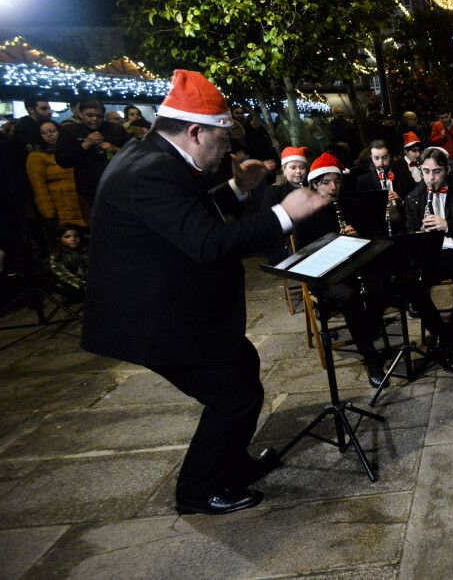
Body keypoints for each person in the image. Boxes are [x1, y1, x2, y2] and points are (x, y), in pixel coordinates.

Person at [82, 70, 330, 516]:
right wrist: (283, 215)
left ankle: (230, 465)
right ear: (195, 132)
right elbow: (206, 241)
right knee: (232, 397)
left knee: (243, 369)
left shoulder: (156, 157)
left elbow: (183, 215)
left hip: (177, 307)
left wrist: (237, 190)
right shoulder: (151, 171)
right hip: (157, 318)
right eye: (223, 137)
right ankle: (197, 491)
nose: (228, 148)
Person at [290, 153, 391, 386]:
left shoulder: (348, 204)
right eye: (326, 182)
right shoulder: (305, 211)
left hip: (353, 265)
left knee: (381, 285)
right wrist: (333, 242)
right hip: (325, 274)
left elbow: (369, 235)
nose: (333, 187)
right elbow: (304, 253)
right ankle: (371, 359)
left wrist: (356, 235)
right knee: (350, 298)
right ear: (315, 183)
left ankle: (369, 329)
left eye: (336, 181)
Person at [403, 146, 453, 367]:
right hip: (431, 254)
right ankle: (440, 333)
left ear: (447, 170)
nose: (431, 178)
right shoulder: (413, 197)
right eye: (427, 171)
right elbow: (409, 231)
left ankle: (451, 338)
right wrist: (418, 236)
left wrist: (448, 225)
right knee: (410, 283)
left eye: (437, 171)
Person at [55, 99, 129, 217]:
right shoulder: (69, 131)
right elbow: (63, 161)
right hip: (88, 190)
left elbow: (134, 156)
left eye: (98, 116)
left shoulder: (116, 129)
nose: (94, 119)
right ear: (80, 114)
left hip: (117, 188)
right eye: (89, 115)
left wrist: (114, 149)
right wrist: (85, 144)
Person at [26, 120, 85, 228]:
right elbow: (39, 187)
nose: (49, 135)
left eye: (52, 131)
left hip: (80, 202)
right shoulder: (36, 156)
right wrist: (48, 212)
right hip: (61, 205)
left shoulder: (70, 150)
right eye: (44, 133)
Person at [49, 223, 87, 304]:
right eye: (67, 237)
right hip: (76, 286)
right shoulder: (56, 256)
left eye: (76, 236)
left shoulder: (85, 250)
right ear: (59, 239)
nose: (73, 239)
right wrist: (82, 285)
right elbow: (63, 275)